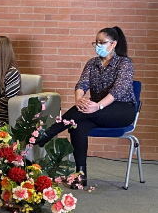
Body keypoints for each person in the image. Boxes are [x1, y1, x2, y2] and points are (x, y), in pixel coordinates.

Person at [36, 27, 135, 188]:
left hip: (121, 110)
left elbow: (119, 90)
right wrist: (79, 100)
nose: (98, 46)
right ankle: (80, 175)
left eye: (102, 43)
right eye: (95, 42)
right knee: (77, 126)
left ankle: (50, 132)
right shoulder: (92, 63)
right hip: (93, 110)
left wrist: (98, 106)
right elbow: (81, 84)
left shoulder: (124, 63)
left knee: (80, 116)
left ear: (113, 44)